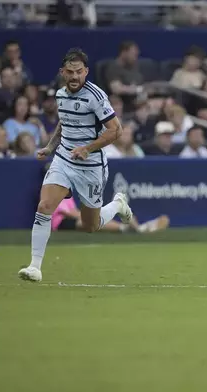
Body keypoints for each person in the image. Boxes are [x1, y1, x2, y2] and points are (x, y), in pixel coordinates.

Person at [18, 48, 133, 283]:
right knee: (45, 206)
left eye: (79, 72)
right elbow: (65, 122)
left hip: (91, 165)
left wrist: (87, 148)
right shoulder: (60, 95)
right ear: (62, 72)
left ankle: (118, 204)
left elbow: (116, 131)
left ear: (86, 72)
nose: (74, 76)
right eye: (69, 72)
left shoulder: (97, 97)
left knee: (90, 225)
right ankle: (34, 266)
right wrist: (50, 147)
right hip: (63, 159)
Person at [52, 196, 170, 234]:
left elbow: (73, 210)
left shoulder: (67, 193)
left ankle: (126, 227)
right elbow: (69, 213)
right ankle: (126, 228)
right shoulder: (52, 193)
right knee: (87, 222)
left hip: (70, 219)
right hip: (59, 223)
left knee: (92, 220)